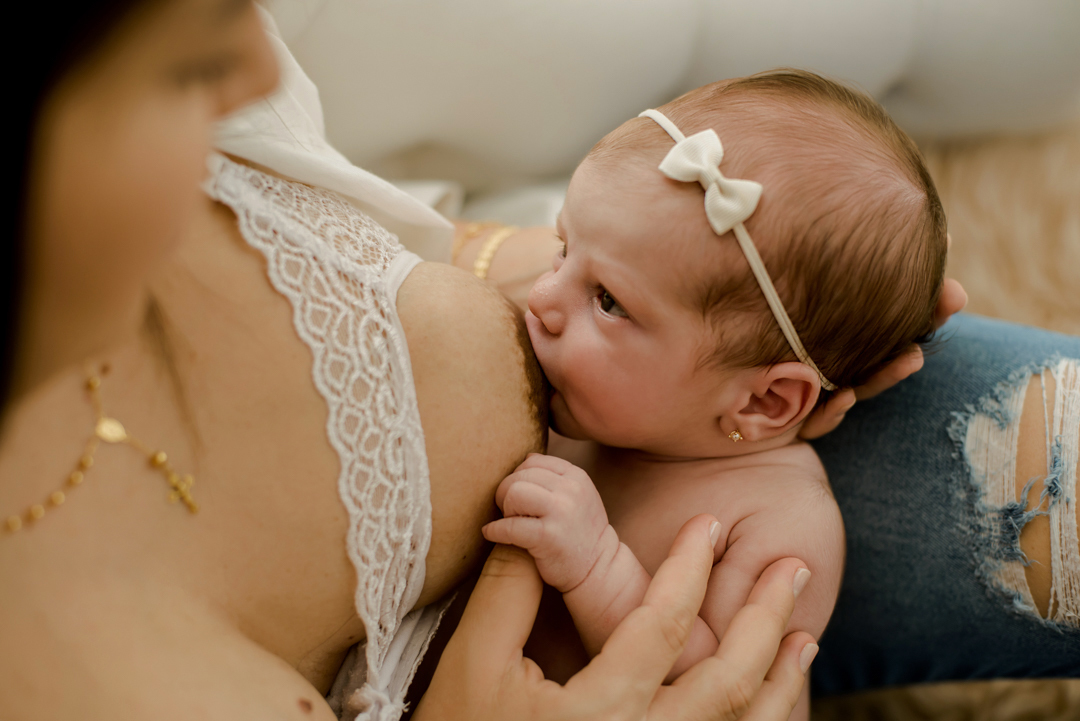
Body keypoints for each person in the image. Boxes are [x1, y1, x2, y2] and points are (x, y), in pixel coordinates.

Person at [0, 1, 815, 720]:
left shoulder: (198, 135)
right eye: (182, 64)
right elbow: (710, 658)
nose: (262, 66)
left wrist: (734, 295)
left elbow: (411, 233)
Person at [478, 70, 945, 720]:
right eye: (563, 249)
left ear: (763, 402)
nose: (543, 297)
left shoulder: (778, 520)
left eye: (608, 300)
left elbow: (722, 683)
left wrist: (597, 566)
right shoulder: (595, 393)